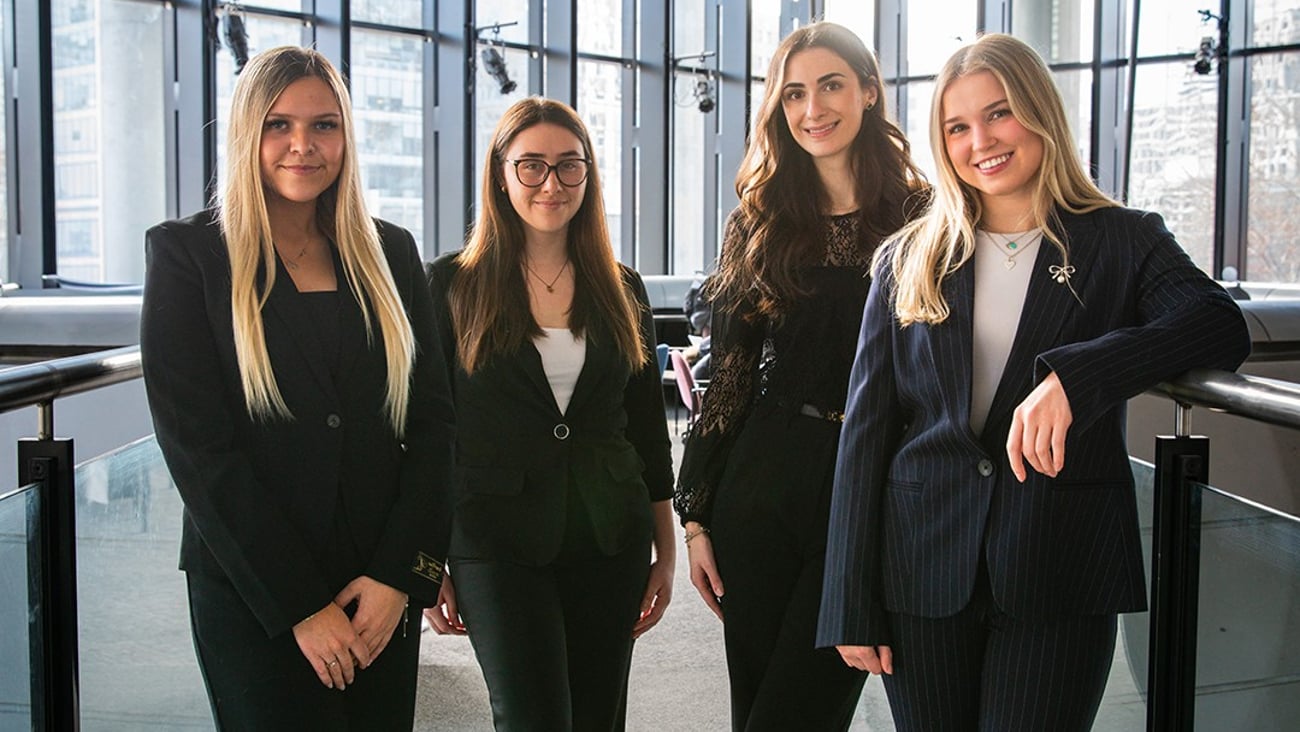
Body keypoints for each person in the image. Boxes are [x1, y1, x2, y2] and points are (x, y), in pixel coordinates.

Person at [817, 33, 1252, 730]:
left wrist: (1080, 378)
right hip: (921, 569)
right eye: (957, 126)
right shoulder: (908, 257)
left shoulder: (1123, 239)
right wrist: (846, 596)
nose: (980, 140)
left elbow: (1218, 324)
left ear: (1040, 113)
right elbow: (867, 432)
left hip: (1061, 569)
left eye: (999, 113)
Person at [140, 46, 455, 729]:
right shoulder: (188, 258)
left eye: (324, 125)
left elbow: (435, 424)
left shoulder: (392, 253)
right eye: (279, 124)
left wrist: (402, 576)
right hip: (257, 597)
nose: (302, 146)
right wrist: (298, 608)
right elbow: (201, 453)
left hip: (378, 586)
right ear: (246, 133)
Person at [673, 22, 926, 731]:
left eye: (831, 85)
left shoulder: (922, 216)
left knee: (799, 712)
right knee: (754, 704)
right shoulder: (760, 219)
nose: (813, 108)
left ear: (869, 91)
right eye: (793, 94)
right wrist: (695, 515)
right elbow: (728, 376)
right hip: (763, 477)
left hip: (868, 486)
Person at [422, 97, 675, 731]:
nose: (551, 183)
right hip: (493, 540)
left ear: (588, 176)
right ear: (500, 174)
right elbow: (426, 433)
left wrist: (664, 550)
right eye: (530, 165)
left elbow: (646, 430)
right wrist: (425, 561)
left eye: (569, 166)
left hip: (609, 537)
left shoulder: (622, 287)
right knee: (531, 718)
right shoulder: (451, 286)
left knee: (597, 719)